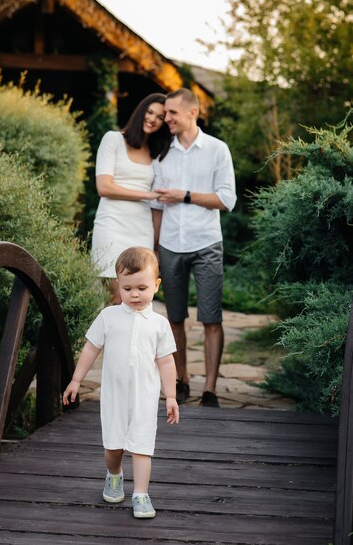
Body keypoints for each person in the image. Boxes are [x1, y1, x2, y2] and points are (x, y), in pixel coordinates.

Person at [63, 246, 179, 519]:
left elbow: (166, 362)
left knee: (141, 446)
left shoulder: (159, 324)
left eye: (142, 287)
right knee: (113, 447)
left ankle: (140, 494)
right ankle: (114, 474)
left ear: (156, 285)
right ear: (118, 286)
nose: (135, 294)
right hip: (114, 396)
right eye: (127, 289)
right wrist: (76, 380)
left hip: (144, 398)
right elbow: (91, 348)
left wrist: (171, 396)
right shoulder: (108, 317)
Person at [151, 88, 237, 407]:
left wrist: (185, 195)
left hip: (206, 244)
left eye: (172, 113)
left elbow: (227, 200)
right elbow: (157, 208)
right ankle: (182, 379)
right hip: (171, 245)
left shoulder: (217, 150)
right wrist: (155, 250)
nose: (166, 118)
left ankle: (210, 389)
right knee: (174, 318)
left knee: (211, 318)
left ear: (192, 112)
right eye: (165, 113)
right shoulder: (161, 153)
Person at [91, 93, 171, 303]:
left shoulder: (155, 153)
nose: (153, 119)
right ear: (140, 111)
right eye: (150, 112)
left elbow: (158, 206)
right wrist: (147, 194)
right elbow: (104, 187)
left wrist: (155, 245)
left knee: (137, 297)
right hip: (112, 224)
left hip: (141, 228)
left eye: (160, 117)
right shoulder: (113, 139)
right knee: (114, 294)